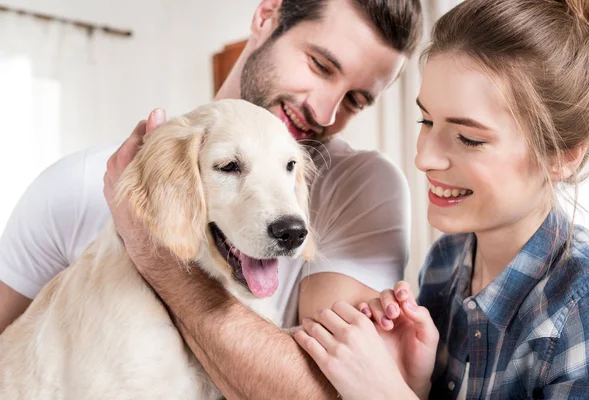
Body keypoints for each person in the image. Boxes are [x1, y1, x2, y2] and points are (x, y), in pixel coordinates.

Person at [0, 0, 423, 397]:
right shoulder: (73, 184)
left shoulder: (363, 186)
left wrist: (152, 252)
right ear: (266, 16)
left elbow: (327, 392)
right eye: (320, 65)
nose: (325, 113)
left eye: (355, 100)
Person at [293, 0, 589, 398]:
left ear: (562, 155)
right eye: (426, 121)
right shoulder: (446, 261)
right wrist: (414, 382)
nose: (423, 158)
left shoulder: (586, 307)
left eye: (469, 138)